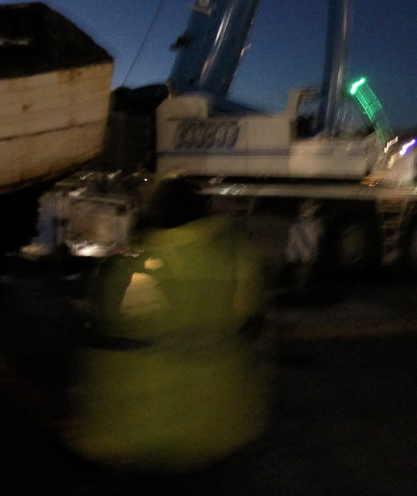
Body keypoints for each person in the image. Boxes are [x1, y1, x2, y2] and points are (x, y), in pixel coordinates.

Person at [65, 177, 271, 473]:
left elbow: (105, 326)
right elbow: (254, 333)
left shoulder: (134, 266)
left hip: (140, 426)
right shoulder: (236, 260)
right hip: (215, 425)